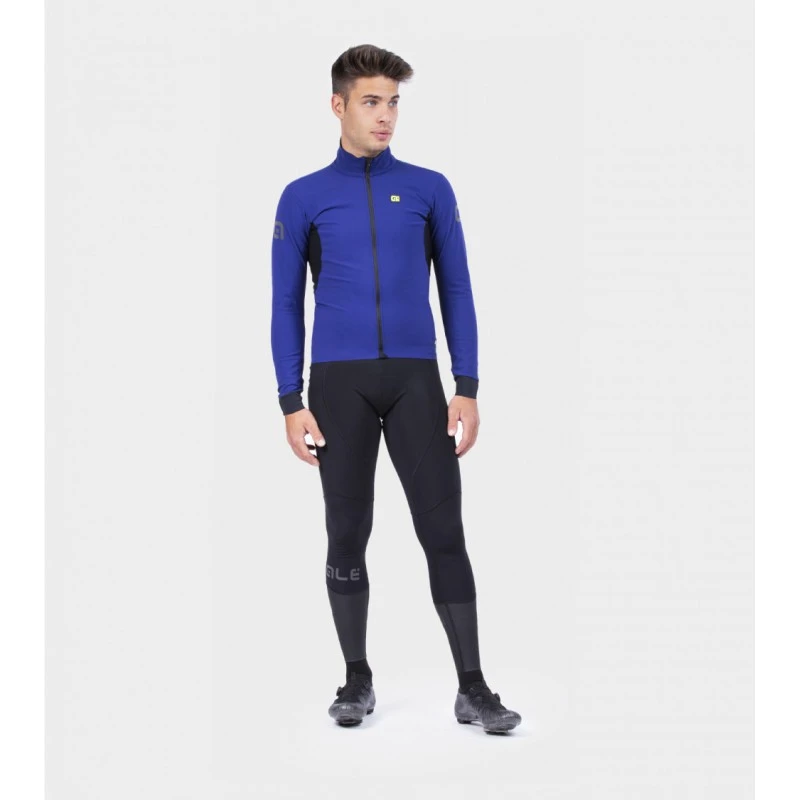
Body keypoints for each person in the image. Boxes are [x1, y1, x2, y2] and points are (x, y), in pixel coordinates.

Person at [270, 44, 521, 734]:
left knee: (444, 530)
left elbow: (458, 289)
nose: (385, 116)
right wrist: (290, 400)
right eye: (371, 102)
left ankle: (473, 687)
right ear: (338, 106)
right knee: (346, 532)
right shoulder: (303, 196)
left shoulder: (431, 187)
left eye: (394, 102)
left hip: (416, 381)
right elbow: (285, 303)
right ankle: (356, 679)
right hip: (338, 386)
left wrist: (466, 384)